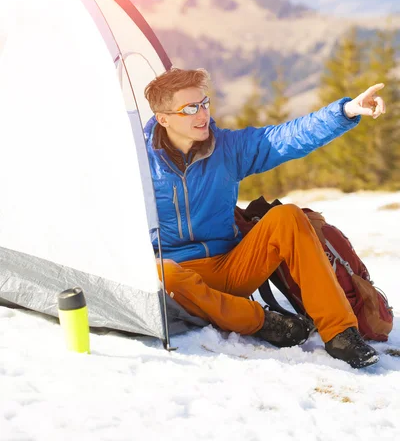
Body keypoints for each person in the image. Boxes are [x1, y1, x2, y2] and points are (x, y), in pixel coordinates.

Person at [144, 68, 386, 368]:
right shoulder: (139, 163)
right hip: (178, 278)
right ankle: (265, 322)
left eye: (204, 103)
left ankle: (341, 334)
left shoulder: (227, 148)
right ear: (163, 117)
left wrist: (345, 111)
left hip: (231, 266)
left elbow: (286, 137)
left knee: (287, 216)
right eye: (190, 109)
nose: (202, 114)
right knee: (159, 273)